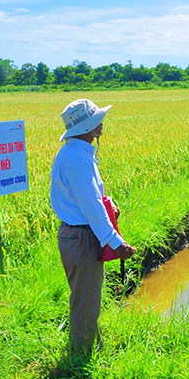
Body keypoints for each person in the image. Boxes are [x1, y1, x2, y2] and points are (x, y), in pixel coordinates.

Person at [51, 99, 136, 356]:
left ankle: (93, 352)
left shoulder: (77, 152)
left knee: (86, 301)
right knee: (85, 305)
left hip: (79, 234)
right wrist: (115, 242)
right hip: (82, 237)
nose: (101, 124)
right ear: (87, 127)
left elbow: (91, 198)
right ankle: (80, 364)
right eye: (96, 120)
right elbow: (90, 206)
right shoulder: (77, 159)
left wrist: (110, 208)